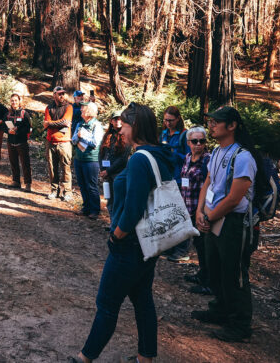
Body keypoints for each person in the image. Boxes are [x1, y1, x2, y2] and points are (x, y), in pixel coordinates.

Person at [69, 103, 175, 363]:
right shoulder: (160, 153)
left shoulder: (139, 158)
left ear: (135, 126)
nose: (121, 130)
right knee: (142, 301)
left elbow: (134, 209)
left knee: (106, 303)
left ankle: (84, 358)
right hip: (150, 242)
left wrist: (116, 235)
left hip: (130, 244)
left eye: (125, 125)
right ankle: (145, 358)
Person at [191, 106, 262, 342]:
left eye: (216, 122)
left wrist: (209, 216)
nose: (211, 125)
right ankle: (220, 310)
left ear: (231, 126)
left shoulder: (243, 157)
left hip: (233, 224)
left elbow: (235, 198)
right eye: (210, 121)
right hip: (213, 217)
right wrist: (200, 211)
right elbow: (208, 183)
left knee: (234, 273)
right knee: (215, 268)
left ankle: (240, 325)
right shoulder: (217, 152)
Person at [179, 126, 212, 287]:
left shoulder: (208, 160)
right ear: (188, 142)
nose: (198, 144)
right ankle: (203, 273)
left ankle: (208, 279)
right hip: (189, 208)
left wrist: (204, 210)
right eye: (195, 141)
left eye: (202, 141)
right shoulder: (187, 158)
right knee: (199, 244)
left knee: (206, 245)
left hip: (202, 210)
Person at [72, 102, 104, 218]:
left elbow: (95, 143)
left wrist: (82, 136)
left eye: (82, 108)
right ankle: (86, 208)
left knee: (91, 185)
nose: (80, 110)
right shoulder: (80, 123)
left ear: (89, 111)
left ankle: (95, 210)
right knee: (82, 184)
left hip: (91, 160)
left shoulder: (97, 125)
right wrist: (77, 138)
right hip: (79, 158)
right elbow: (74, 139)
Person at [97, 111, 130, 214]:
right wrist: (103, 169)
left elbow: (123, 158)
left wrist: (108, 171)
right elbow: (101, 153)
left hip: (118, 173)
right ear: (111, 121)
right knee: (109, 198)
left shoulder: (126, 135)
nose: (118, 121)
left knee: (119, 199)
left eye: (120, 119)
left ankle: (117, 226)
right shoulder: (107, 135)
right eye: (116, 119)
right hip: (107, 173)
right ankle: (112, 224)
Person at [44, 86, 73, 200]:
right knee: (52, 168)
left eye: (63, 94)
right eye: (59, 94)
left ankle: (67, 192)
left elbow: (66, 121)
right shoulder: (49, 107)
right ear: (54, 95)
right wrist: (58, 123)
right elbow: (46, 122)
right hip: (50, 141)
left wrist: (51, 123)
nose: (62, 96)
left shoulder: (68, 107)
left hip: (64, 142)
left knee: (65, 168)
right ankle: (54, 190)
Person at [6, 94, 32, 192]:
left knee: (25, 163)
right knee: (13, 162)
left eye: (16, 100)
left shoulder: (24, 113)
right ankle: (16, 181)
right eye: (12, 101)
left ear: (19, 101)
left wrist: (18, 130)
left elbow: (28, 128)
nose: (14, 102)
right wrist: (8, 131)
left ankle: (28, 183)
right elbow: (4, 126)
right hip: (11, 142)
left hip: (22, 142)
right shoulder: (8, 114)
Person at [160, 106, 189, 184]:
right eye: (166, 120)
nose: (168, 123)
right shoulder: (163, 134)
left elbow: (190, 157)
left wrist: (175, 154)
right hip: (165, 177)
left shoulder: (184, 135)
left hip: (179, 178)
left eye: (171, 120)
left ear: (178, 118)